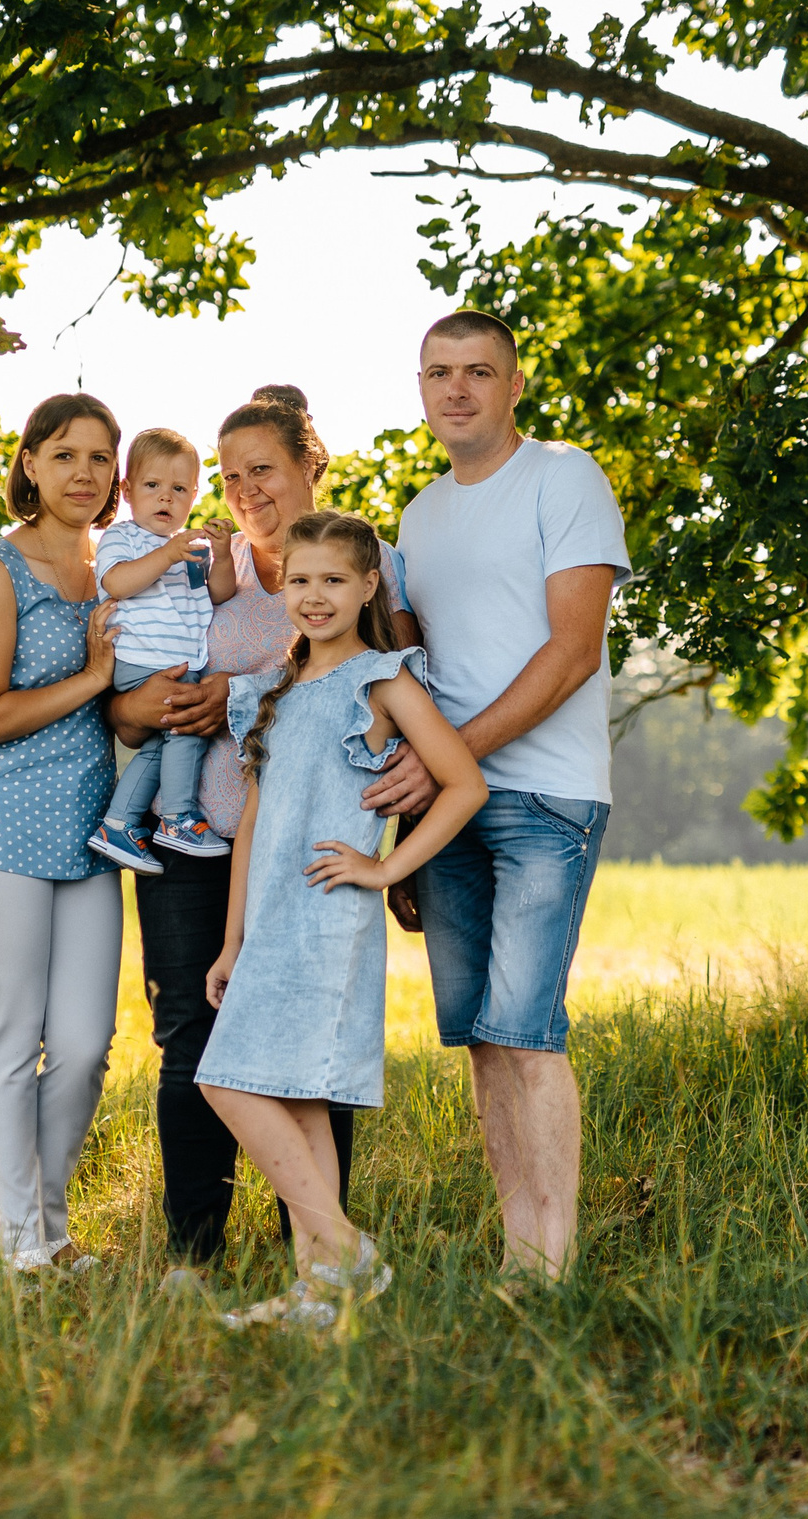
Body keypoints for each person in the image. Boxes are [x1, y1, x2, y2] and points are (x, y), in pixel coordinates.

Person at [106, 385, 420, 1273]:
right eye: (233, 475)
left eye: (265, 471)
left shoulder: (370, 562)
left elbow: (402, 683)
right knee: (189, 1039)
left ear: (310, 466)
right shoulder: (207, 565)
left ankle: (316, 1254)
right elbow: (140, 684)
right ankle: (194, 1256)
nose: (247, 491)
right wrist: (160, 700)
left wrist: (406, 822)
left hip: (307, 851)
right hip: (197, 832)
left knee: (306, 1048)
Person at [362, 310, 629, 1280]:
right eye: (439, 373)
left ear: (515, 384)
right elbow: (418, 669)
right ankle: (519, 1251)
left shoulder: (564, 477)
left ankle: (549, 1268)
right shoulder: (421, 514)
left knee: (526, 1028)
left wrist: (446, 761)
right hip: (448, 807)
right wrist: (412, 807)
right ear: (421, 386)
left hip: (544, 795)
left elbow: (571, 650)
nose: (458, 390)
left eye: (479, 371)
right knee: (479, 1035)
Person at [198, 510, 487, 1329]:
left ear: (368, 586)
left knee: (224, 1078)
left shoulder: (384, 678)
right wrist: (231, 940)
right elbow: (252, 824)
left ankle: (345, 1249)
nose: (314, 595)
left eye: (333, 580)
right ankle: (319, 1292)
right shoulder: (274, 688)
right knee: (300, 1100)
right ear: (279, 586)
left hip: (328, 920)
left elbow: (463, 783)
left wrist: (388, 866)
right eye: (299, 580)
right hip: (271, 922)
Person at [0, 392, 126, 1274]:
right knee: (12, 1036)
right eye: (66, 455)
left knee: (84, 1044)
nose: (85, 473)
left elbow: (127, 698)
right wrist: (95, 679)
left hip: (88, 824)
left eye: (100, 457)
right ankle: (20, 1245)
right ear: (32, 466)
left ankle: (49, 1222)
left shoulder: (116, 568)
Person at [87, 427, 238, 873]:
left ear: (193, 495)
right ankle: (177, 817)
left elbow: (217, 594)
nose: (165, 499)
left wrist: (223, 554)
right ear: (128, 490)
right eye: (152, 486)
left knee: (160, 745)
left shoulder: (191, 547)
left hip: (175, 660)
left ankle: (118, 824)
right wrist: (168, 554)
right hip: (141, 658)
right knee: (187, 732)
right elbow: (117, 582)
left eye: (178, 489)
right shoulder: (123, 537)